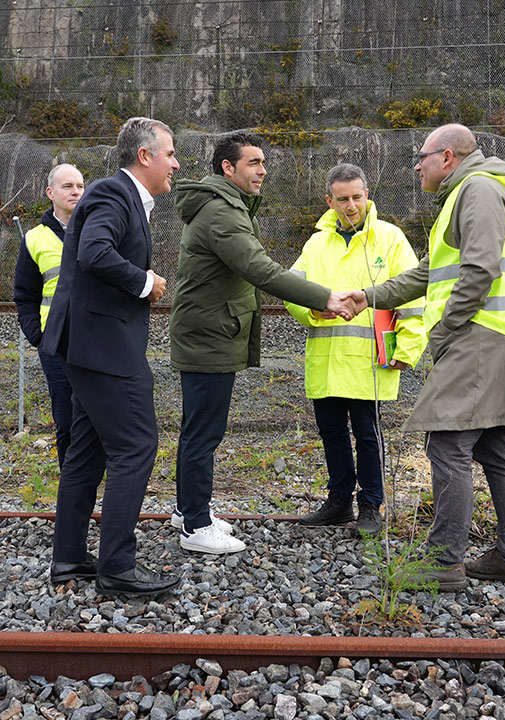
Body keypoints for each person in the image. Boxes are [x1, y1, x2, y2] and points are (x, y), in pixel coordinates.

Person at [343, 123, 505, 591]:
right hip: (500, 335)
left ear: (447, 157)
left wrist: (447, 328)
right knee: (494, 445)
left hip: (479, 336)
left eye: (422, 156)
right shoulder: (467, 194)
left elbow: (481, 269)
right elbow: (428, 273)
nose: (417, 164)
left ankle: (443, 561)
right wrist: (370, 295)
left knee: (448, 444)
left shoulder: (479, 190)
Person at [169, 131, 356, 555]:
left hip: (210, 332)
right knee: (203, 433)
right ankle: (196, 526)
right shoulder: (221, 212)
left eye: (263, 162)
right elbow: (261, 269)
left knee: (197, 429)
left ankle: (188, 509)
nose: (263, 170)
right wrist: (324, 296)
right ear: (227, 168)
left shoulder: (225, 206)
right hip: (209, 337)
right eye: (254, 162)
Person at [39, 117, 180, 597]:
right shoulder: (111, 194)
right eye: (171, 153)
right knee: (136, 446)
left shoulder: (123, 199)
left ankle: (70, 558)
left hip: (87, 346)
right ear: (145, 156)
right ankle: (118, 567)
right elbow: (94, 253)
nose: (176, 164)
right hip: (103, 350)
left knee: (88, 450)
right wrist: (146, 281)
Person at [285, 163, 426, 535]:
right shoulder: (316, 243)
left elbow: (413, 296)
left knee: (367, 435)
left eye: (357, 197)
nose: (351, 206)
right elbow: (291, 289)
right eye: (342, 199)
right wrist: (310, 309)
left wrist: (409, 347)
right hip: (328, 360)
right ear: (328, 201)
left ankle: (370, 507)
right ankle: (338, 502)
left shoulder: (390, 239)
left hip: (369, 362)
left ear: (368, 196)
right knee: (331, 433)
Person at [12, 163, 85, 466]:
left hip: (97, 339)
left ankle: (96, 477)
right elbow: (25, 295)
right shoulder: (34, 239)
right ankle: (70, 482)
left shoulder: (100, 228)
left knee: (99, 416)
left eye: (80, 186)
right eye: (68, 186)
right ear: (50, 193)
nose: (76, 192)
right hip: (55, 344)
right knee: (66, 417)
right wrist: (37, 336)